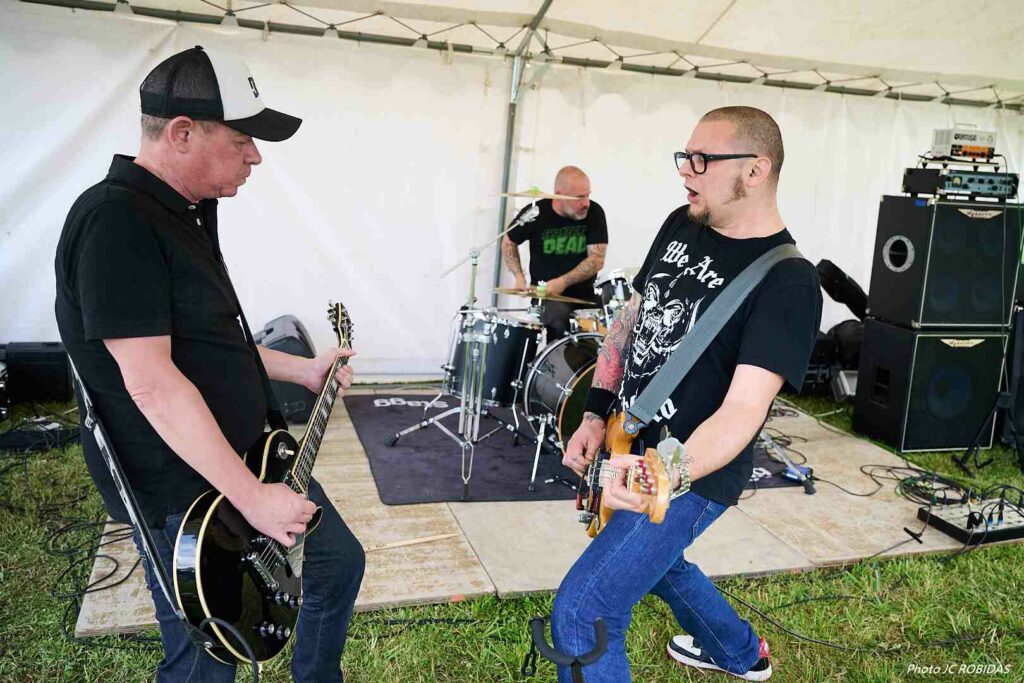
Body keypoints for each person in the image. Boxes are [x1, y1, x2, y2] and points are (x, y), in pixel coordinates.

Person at [54, 46, 365, 683]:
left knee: (336, 563)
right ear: (183, 132)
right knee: (208, 661)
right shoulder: (116, 221)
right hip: (185, 491)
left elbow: (205, 345)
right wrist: (252, 499)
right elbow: (151, 380)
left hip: (251, 456)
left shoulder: (186, 212)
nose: (255, 155)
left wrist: (302, 371)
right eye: (244, 138)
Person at [553, 106, 823, 681]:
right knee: (660, 563)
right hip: (629, 438)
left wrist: (657, 477)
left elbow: (743, 412)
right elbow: (633, 317)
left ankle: (737, 651)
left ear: (755, 170)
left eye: (702, 159)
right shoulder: (683, 221)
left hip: (692, 475)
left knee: (584, 609)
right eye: (686, 157)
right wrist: (597, 414)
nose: (686, 171)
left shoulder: (789, 281)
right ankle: (740, 652)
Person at [501, 166, 608, 339]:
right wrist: (519, 276)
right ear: (559, 194)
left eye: (588, 194)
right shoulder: (536, 213)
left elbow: (597, 260)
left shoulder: (594, 212)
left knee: (612, 327)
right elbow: (509, 241)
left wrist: (562, 282)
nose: (586, 202)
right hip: (546, 298)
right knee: (559, 321)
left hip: (586, 296)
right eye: (579, 197)